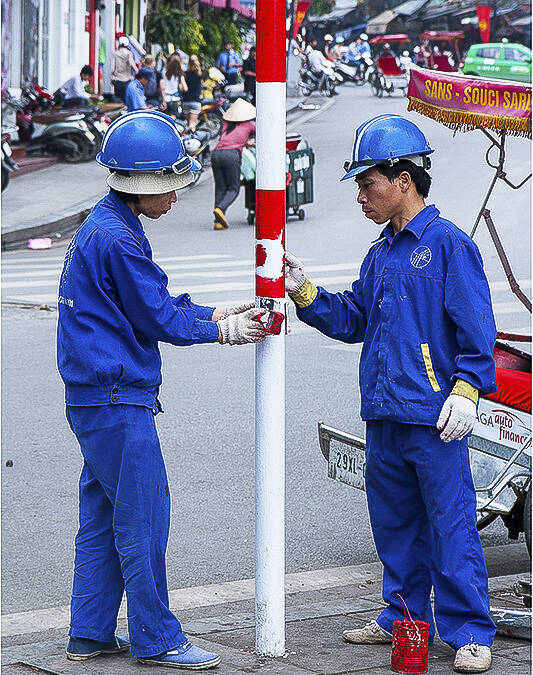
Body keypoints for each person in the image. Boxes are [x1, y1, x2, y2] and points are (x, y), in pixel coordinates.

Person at [285, 114, 497, 675]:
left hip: (434, 419)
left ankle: (470, 632)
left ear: (404, 179)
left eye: (366, 182)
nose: (359, 195)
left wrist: (468, 389)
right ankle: (404, 620)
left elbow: (477, 328)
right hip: (384, 415)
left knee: (450, 526)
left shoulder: (449, 246)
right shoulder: (380, 255)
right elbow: (354, 317)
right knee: (396, 527)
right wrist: (306, 292)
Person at [57, 109, 267, 670]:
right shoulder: (119, 240)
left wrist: (214, 311)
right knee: (143, 517)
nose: (176, 195)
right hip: (116, 397)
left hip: (93, 397)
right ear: (141, 182)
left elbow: (148, 307)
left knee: (103, 516)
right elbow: (156, 316)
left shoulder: (104, 226)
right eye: (170, 184)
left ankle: (91, 632)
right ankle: (156, 637)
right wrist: (220, 328)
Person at [211, 98, 255, 231]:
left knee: (220, 187)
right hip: (231, 155)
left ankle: (218, 220)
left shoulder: (226, 124)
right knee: (233, 188)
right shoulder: (249, 125)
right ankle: (220, 209)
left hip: (216, 154)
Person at [112, 36, 138, 102]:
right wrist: (137, 71)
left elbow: (113, 67)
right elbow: (132, 64)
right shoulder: (129, 53)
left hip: (117, 80)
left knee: (118, 100)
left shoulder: (115, 53)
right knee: (126, 100)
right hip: (126, 80)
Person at [181, 55, 203, 132]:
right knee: (192, 125)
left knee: (188, 125)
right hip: (195, 101)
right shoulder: (199, 75)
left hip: (186, 101)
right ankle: (193, 141)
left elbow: (183, 88)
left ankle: (186, 141)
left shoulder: (185, 74)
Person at [163, 54, 187, 118]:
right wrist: (179, 90)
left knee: (166, 119)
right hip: (175, 99)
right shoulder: (179, 75)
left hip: (166, 99)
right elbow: (185, 88)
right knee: (173, 119)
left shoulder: (165, 73)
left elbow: (162, 87)